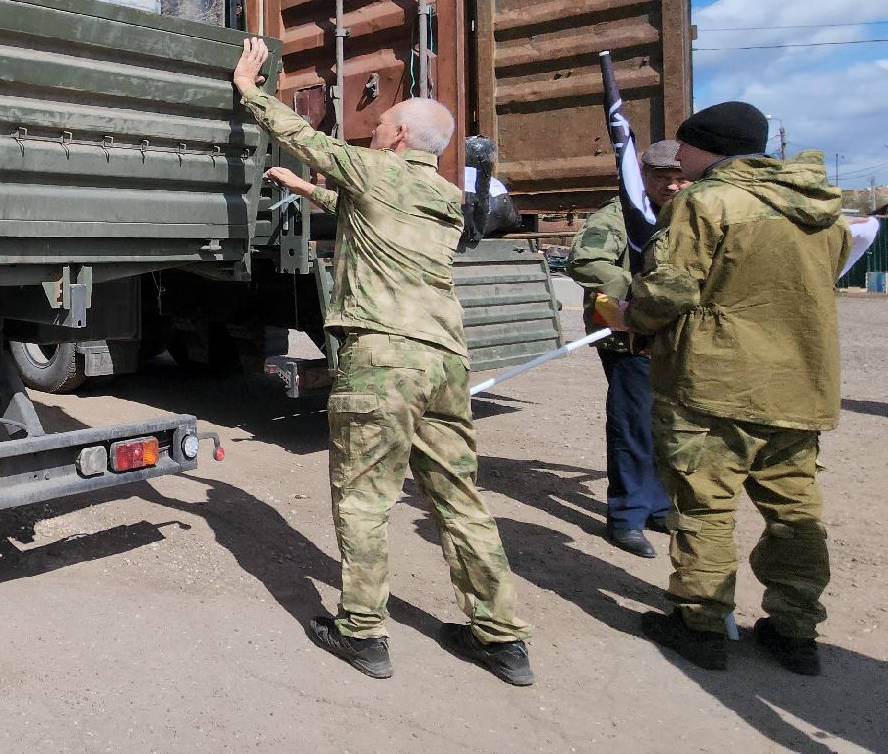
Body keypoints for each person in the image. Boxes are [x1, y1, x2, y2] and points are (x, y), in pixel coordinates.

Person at [234, 38, 535, 687]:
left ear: (400, 136)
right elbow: (366, 214)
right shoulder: (446, 199)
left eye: (380, 125)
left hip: (383, 360)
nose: (373, 128)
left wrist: (249, 90)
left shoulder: (375, 169)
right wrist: (308, 190)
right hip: (445, 364)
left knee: (365, 500)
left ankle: (362, 632)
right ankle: (502, 638)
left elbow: (304, 138)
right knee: (460, 500)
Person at [601, 101, 848, 676]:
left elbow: (670, 291)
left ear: (707, 146)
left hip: (716, 385)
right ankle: (796, 633)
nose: (677, 157)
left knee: (705, 507)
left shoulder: (707, 202)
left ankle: (702, 626)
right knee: (794, 511)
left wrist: (626, 315)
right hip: (800, 385)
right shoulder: (822, 211)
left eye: (683, 146)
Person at [566, 139, 689, 558]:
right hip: (627, 336)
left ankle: (656, 505)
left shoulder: (687, 217)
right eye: (661, 179)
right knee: (633, 425)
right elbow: (584, 262)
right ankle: (627, 516)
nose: (672, 187)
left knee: (664, 425)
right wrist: (641, 294)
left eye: (679, 178)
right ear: (643, 178)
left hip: (670, 338)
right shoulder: (618, 215)